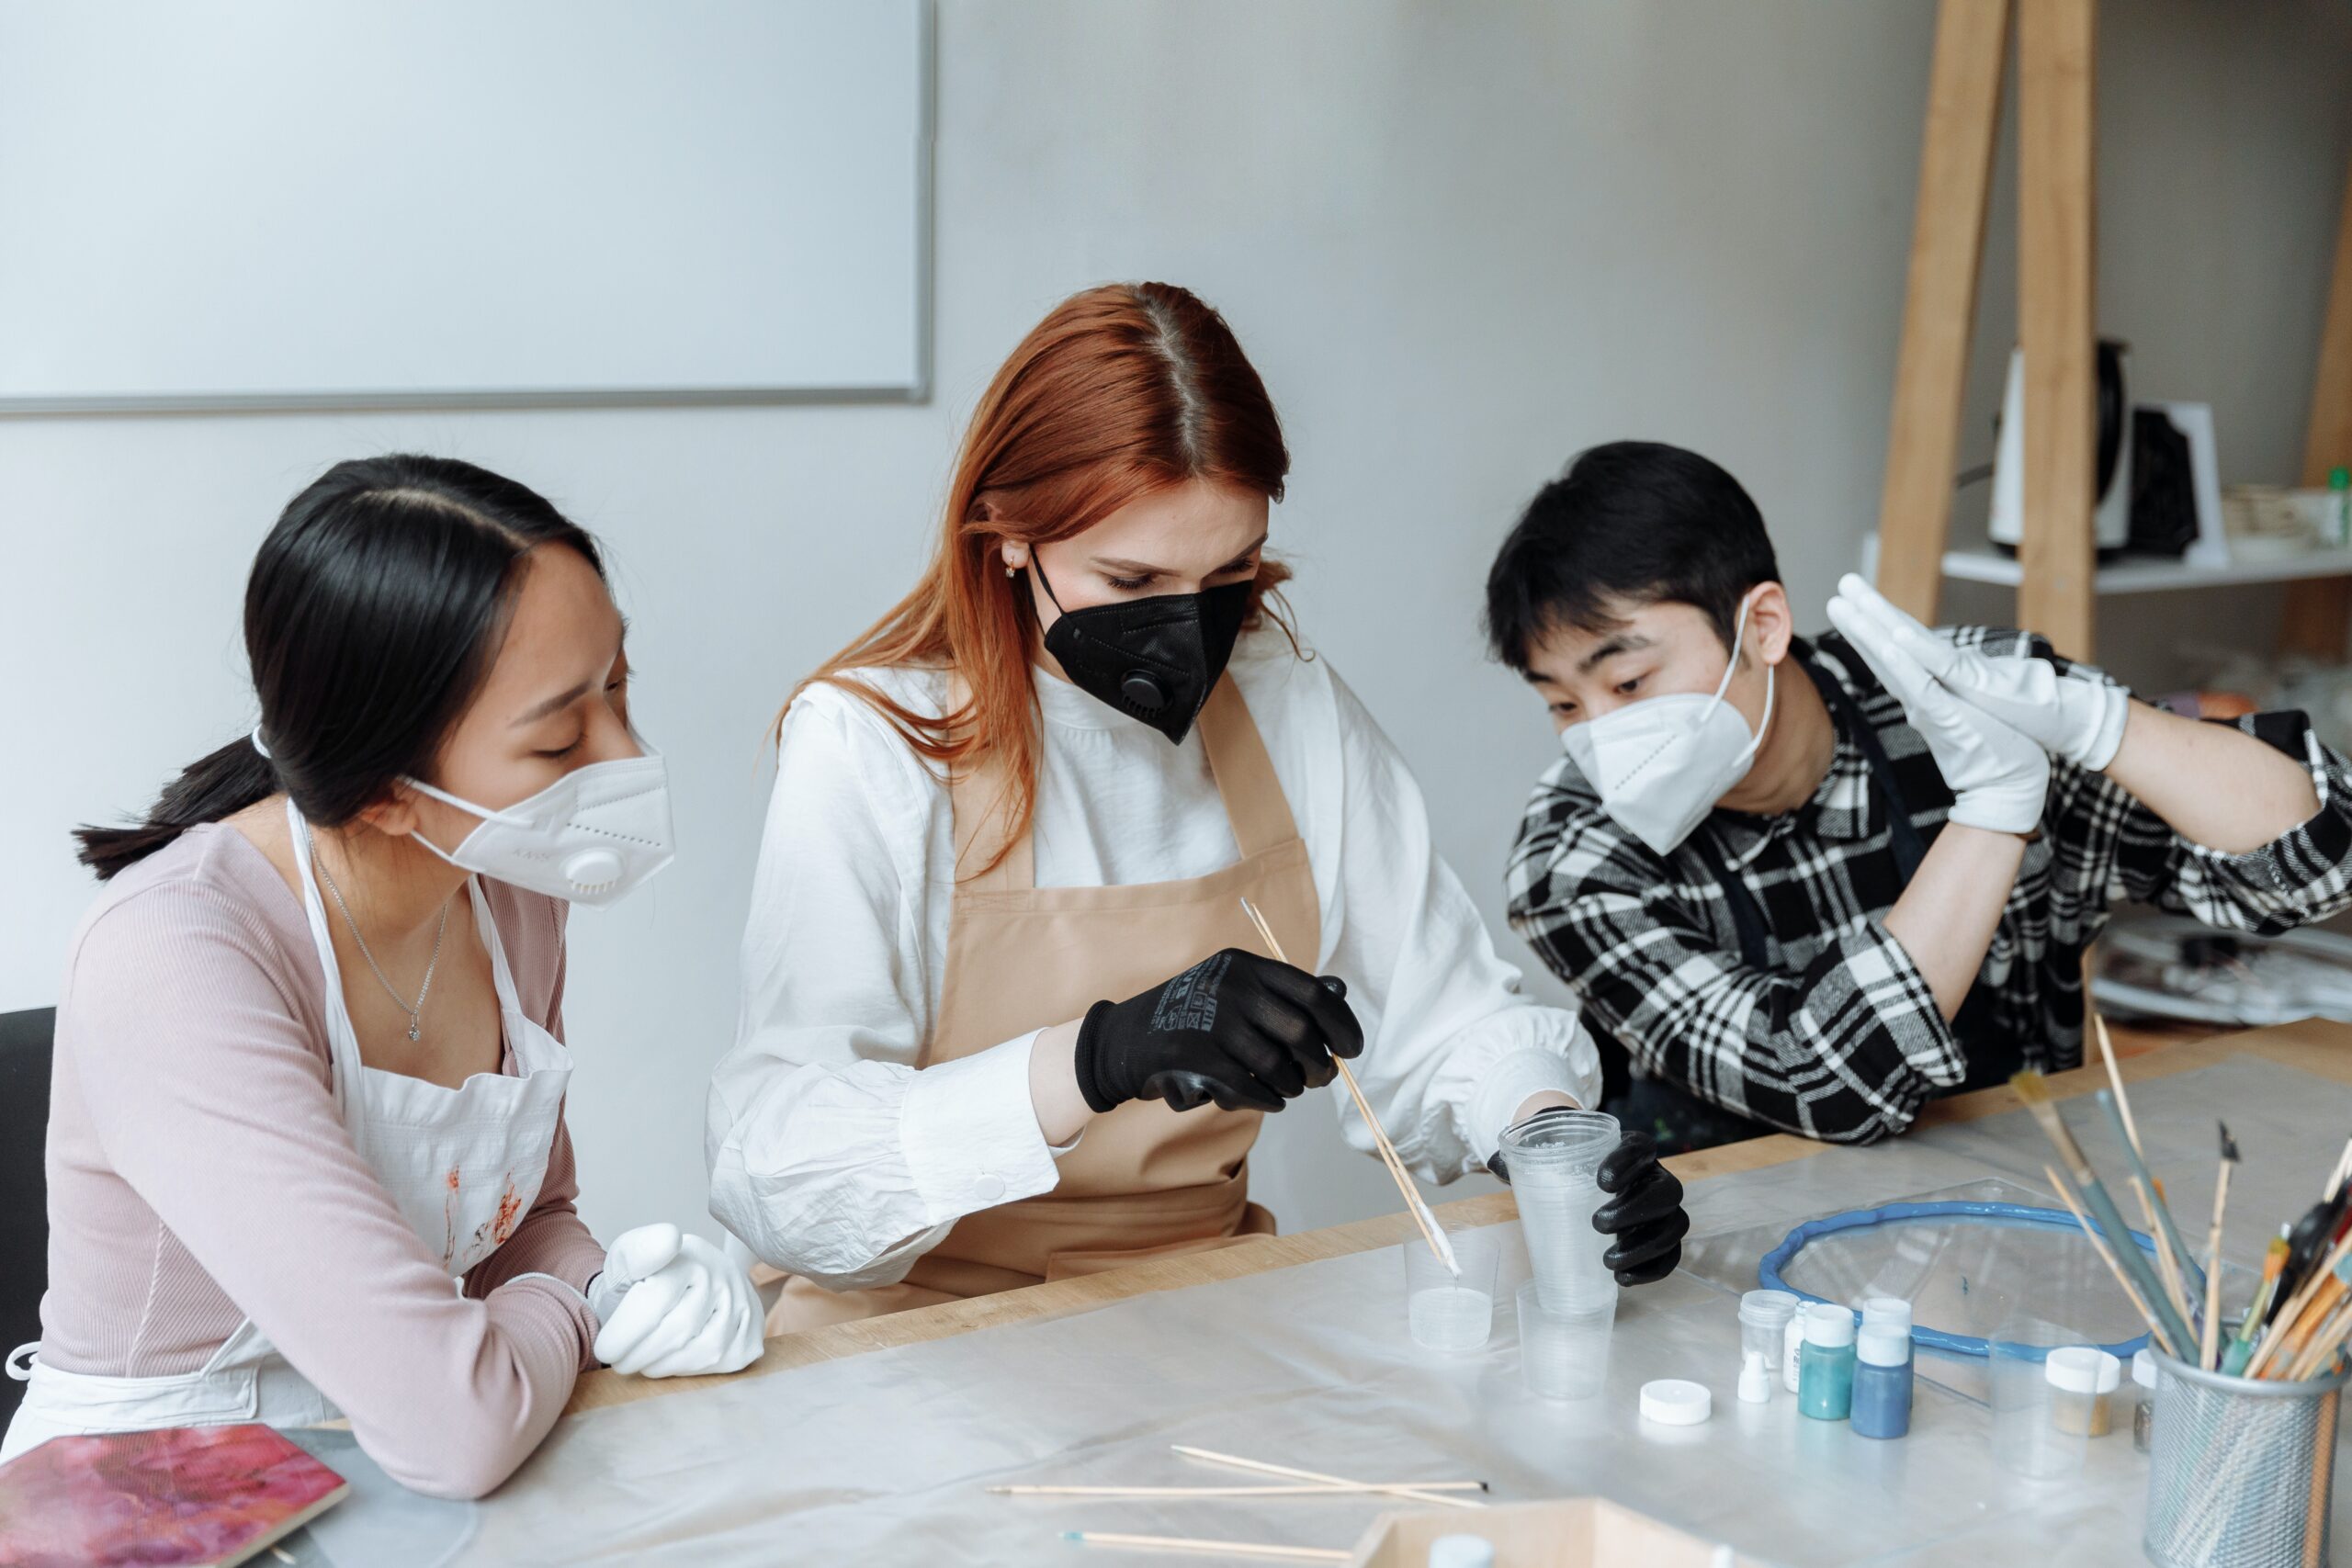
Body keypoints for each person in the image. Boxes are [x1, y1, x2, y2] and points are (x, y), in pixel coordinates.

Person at [708, 284, 1686, 1327]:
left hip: (1193, 1303)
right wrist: (1095, 1058)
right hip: (914, 1322)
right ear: (1006, 536)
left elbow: (1446, 1014)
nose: (1186, 633)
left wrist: (1555, 1143)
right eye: (1129, 579)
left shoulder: (1286, 699)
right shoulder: (871, 741)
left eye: (1228, 575)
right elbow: (779, 1164)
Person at [4, 457, 762, 1496]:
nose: (625, 756)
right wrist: (578, 1315)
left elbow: (525, 1228)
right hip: (151, 1493)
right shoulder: (173, 955)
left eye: (619, 687)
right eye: (557, 738)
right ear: (386, 795)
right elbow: (455, 1427)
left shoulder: (506, 884)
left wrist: (627, 1281)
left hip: (391, 1459)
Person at [1487, 440, 2352, 1154]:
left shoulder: (1966, 700)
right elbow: (1819, 1082)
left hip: (2026, 1204)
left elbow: (2310, 872)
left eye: (1630, 680)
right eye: (1562, 703)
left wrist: (2095, 722)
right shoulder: (1574, 862)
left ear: (1762, 626)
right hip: (1730, 1265)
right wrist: (1993, 811)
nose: (1600, 732)